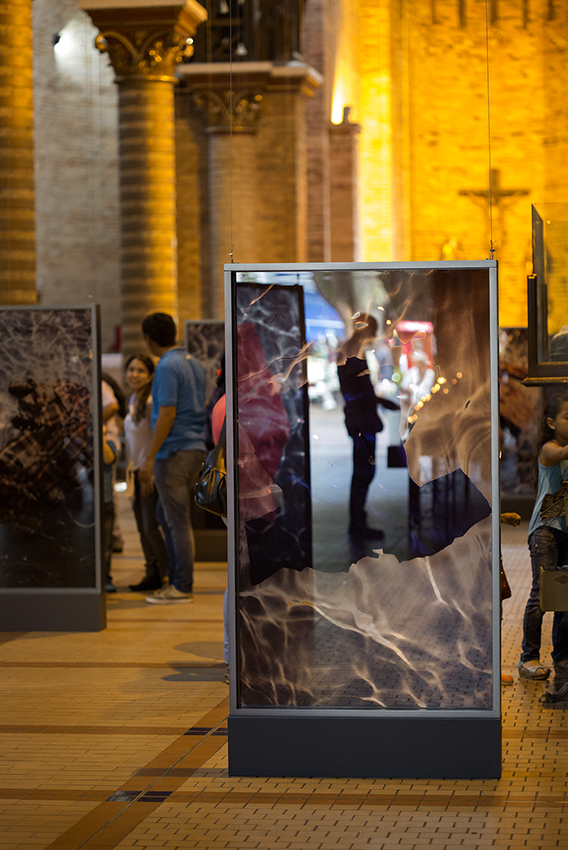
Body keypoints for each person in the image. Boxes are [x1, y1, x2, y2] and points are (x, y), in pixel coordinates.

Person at [139, 313, 207, 604]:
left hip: (174, 451)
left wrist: (149, 457)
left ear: (148, 339)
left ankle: (181, 587)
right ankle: (175, 579)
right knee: (165, 516)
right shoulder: (194, 363)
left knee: (177, 522)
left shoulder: (166, 366)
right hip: (195, 449)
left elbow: (167, 413)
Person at [337, 313, 399, 544]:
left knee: (363, 471)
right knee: (363, 472)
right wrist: (379, 402)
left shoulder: (352, 350)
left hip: (361, 420)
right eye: (372, 331)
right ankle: (357, 524)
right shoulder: (352, 352)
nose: (373, 336)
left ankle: (358, 522)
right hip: (361, 421)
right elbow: (356, 392)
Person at [518, 394, 568, 680]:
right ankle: (529, 658)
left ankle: (562, 659)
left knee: (563, 597)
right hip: (545, 530)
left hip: (566, 530)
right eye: (567, 417)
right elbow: (561, 455)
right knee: (541, 595)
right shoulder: (549, 449)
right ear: (551, 423)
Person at [123, 354, 169, 592]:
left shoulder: (152, 401)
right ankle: (152, 572)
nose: (134, 374)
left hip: (148, 471)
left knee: (151, 526)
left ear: (150, 375)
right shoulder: (133, 399)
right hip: (134, 471)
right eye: (131, 369)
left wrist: (149, 469)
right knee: (142, 527)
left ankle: (166, 573)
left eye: (140, 370)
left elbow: (156, 436)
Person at [101, 422, 119, 593]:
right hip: (89, 500)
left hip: (105, 500)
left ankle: (105, 577)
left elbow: (108, 458)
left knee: (106, 545)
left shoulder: (110, 440)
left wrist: (101, 435)